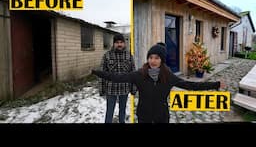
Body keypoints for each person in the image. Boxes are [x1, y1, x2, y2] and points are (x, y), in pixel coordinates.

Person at [92, 42, 225, 123]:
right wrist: (97, 72)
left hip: (162, 117)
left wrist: (215, 84)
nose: (153, 60)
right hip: (144, 116)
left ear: (162, 60)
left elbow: (191, 85)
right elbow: (117, 77)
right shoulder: (139, 75)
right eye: (150, 57)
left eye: (156, 58)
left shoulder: (169, 76)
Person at [98, 33, 137, 123]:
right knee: (110, 111)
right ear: (113, 44)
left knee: (122, 110)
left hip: (124, 88)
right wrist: (102, 89)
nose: (119, 44)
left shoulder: (129, 56)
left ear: (124, 43)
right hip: (111, 89)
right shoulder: (107, 56)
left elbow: (133, 73)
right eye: (117, 42)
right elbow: (102, 73)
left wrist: (133, 88)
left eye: (121, 42)